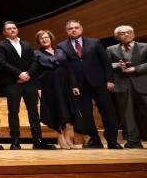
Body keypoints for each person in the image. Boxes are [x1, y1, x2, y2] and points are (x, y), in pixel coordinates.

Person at [57, 20, 121, 149]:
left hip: (99, 82)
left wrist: (110, 80)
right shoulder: (61, 46)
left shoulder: (95, 42)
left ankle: (112, 141)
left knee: (107, 112)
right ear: (66, 31)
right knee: (86, 114)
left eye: (76, 27)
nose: (74, 30)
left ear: (81, 29)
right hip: (78, 85)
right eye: (70, 28)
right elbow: (66, 68)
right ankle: (94, 140)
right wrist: (73, 85)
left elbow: (106, 62)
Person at [0, 21, 55, 150]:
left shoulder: (26, 44)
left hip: (29, 82)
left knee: (33, 112)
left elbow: (34, 61)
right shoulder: (0, 45)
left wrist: (27, 74)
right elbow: (2, 63)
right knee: (13, 111)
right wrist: (19, 74)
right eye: (9, 29)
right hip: (13, 82)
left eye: (14, 28)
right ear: (4, 32)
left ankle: (38, 140)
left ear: (17, 29)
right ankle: (15, 141)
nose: (12, 30)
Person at [34, 30, 81, 150]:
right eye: (41, 38)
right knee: (55, 111)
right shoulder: (36, 53)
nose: (44, 40)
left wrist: (74, 85)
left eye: (46, 37)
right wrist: (38, 88)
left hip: (65, 85)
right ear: (39, 41)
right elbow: (36, 73)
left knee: (68, 111)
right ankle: (60, 138)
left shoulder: (60, 51)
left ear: (51, 38)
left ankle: (68, 138)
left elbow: (68, 69)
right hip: (49, 86)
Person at [107, 25, 146, 148]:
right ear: (117, 37)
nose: (126, 34)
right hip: (122, 84)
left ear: (133, 34)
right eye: (122, 33)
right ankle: (133, 141)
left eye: (128, 32)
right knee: (127, 114)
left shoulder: (145, 46)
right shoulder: (111, 49)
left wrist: (136, 68)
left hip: (143, 83)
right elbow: (106, 65)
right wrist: (117, 65)